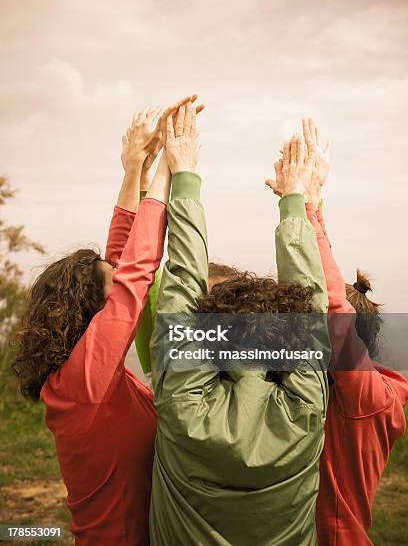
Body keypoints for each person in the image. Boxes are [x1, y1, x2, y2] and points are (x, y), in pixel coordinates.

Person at [12, 96, 200, 545]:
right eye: (109, 288)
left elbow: (117, 261)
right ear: (93, 308)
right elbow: (134, 271)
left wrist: (133, 167)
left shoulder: (82, 370)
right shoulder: (84, 380)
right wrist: (173, 169)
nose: (117, 284)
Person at [148, 113, 331, 545]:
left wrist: (184, 175)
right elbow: (311, 304)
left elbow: (179, 287)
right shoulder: (305, 409)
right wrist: (297, 200)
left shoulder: (184, 405)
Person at [292, 118, 408, 545]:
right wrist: (316, 204)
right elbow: (335, 297)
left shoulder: (370, 398)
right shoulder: (359, 391)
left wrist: (304, 204)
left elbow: (333, 306)